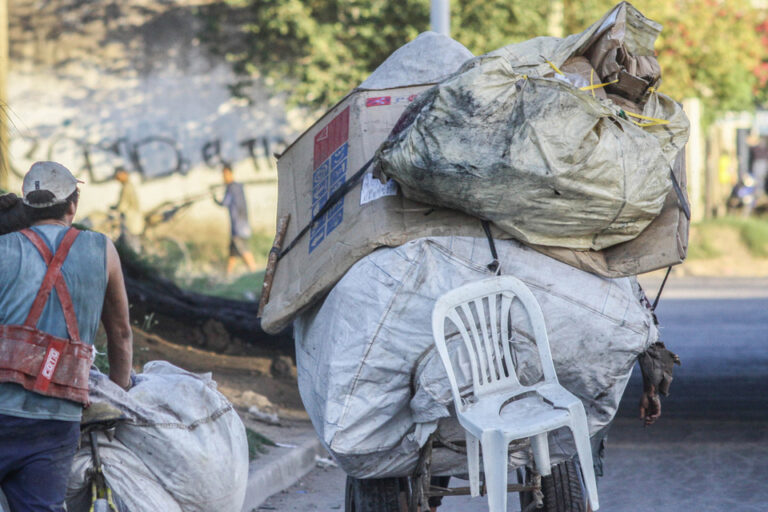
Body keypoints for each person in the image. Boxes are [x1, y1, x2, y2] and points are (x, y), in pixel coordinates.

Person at [0, 161, 133, 511]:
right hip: (55, 422)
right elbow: (120, 334)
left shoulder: (3, 249)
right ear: (73, 205)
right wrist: (117, 399)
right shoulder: (102, 250)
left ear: (26, 207)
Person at [213, 164, 258, 275]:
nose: (223, 178)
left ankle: (254, 271)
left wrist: (215, 199)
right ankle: (227, 274)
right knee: (232, 253)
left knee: (244, 250)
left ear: (230, 173)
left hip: (238, 226)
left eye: (225, 175)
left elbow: (225, 202)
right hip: (242, 224)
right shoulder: (238, 187)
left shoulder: (231, 187)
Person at [111, 166, 144, 252]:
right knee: (133, 241)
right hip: (134, 217)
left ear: (124, 174)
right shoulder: (128, 185)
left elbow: (123, 205)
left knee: (131, 243)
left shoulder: (127, 187)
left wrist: (116, 208)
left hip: (130, 219)